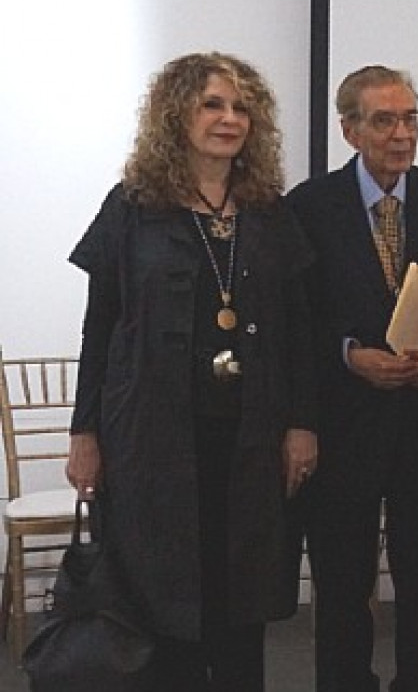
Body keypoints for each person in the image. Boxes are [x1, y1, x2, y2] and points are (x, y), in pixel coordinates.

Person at [65, 51, 317, 690]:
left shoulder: (268, 210)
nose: (229, 119)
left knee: (243, 598)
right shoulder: (132, 207)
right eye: (212, 104)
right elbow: (101, 328)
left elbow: (298, 333)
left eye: (241, 107)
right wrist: (83, 433)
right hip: (149, 439)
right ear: (176, 114)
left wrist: (302, 425)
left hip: (250, 440)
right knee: (160, 599)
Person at [287, 64, 418, 691]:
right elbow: (296, 321)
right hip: (344, 426)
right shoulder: (309, 207)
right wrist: (349, 354)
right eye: (384, 120)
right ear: (350, 130)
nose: (401, 134)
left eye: (410, 119)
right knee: (343, 586)